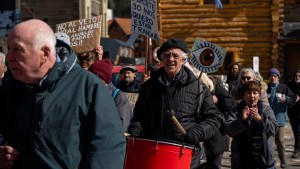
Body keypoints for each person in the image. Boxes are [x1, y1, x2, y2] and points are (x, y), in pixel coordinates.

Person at [0, 19, 126, 169]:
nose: (9, 58)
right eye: (9, 49)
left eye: (18, 50)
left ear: (45, 53)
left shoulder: (88, 87)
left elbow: (107, 151)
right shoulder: (9, 88)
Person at [128, 38, 222, 169]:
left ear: (183, 60)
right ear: (162, 59)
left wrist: (198, 132)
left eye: (175, 56)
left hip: (183, 156)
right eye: (166, 55)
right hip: (152, 155)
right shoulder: (149, 86)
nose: (170, 59)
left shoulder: (198, 88)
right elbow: (138, 115)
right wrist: (136, 127)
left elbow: (215, 118)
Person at [225, 81, 278, 169]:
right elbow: (229, 130)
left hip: (264, 159)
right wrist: (242, 120)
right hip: (240, 160)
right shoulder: (235, 110)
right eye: (248, 93)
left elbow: (274, 129)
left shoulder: (266, 110)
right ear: (243, 95)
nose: (252, 96)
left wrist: (260, 120)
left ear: (259, 95)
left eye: (255, 93)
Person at [88, 59, 133, 131]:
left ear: (100, 77)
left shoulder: (119, 97)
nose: (88, 79)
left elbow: (121, 127)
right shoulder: (90, 93)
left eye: (91, 75)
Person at [203, 76, 235, 169]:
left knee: (215, 164)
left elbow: (231, 103)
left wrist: (218, 100)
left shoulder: (216, 87)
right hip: (201, 132)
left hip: (216, 133)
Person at [267, 68, 296, 168]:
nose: (273, 77)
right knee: (268, 142)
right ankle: (270, 161)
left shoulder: (284, 87)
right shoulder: (266, 88)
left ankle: (283, 159)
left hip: (280, 119)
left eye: (275, 76)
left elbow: (293, 100)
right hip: (268, 120)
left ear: (278, 77)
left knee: (280, 141)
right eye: (271, 75)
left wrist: (285, 101)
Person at [287, 70, 300, 158]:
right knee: (296, 131)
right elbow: (287, 96)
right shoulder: (289, 85)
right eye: (296, 75)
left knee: (298, 131)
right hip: (292, 112)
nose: (297, 77)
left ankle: (297, 149)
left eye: (299, 75)